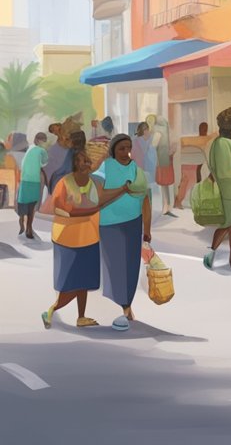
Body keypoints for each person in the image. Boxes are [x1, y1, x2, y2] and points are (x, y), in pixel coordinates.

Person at [42, 150, 129, 329]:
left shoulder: (92, 184)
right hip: (67, 239)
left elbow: (103, 199)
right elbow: (62, 209)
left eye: (88, 160)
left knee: (85, 282)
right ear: (75, 164)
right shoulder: (64, 183)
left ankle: (81, 317)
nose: (87, 163)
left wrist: (122, 190)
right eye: (82, 161)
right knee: (69, 283)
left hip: (89, 237)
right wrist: (92, 210)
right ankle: (52, 309)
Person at [94, 134, 151, 330]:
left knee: (131, 267)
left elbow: (145, 200)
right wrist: (124, 189)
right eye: (121, 148)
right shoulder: (106, 167)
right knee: (116, 267)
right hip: (110, 224)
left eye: (128, 148)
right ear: (113, 150)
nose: (126, 152)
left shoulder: (137, 169)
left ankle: (127, 304)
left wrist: (148, 228)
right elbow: (100, 197)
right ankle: (122, 307)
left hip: (133, 223)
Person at [203, 108, 231, 274]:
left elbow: (213, 167)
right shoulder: (229, 144)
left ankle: (213, 252)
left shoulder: (215, 143)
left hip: (222, 189)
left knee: (227, 224)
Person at [18, 132, 48, 240]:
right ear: (42, 141)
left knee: (23, 202)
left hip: (24, 180)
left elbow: (23, 164)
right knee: (32, 205)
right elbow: (44, 163)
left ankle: (21, 221)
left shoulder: (29, 149)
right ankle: (29, 228)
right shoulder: (42, 151)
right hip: (34, 181)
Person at [176, 122, 210, 210]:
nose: (204, 130)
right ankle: (179, 201)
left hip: (193, 165)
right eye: (203, 129)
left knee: (187, 182)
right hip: (191, 165)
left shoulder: (203, 140)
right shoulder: (203, 140)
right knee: (186, 182)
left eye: (204, 129)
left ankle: (181, 201)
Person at [149, 114, 175, 217]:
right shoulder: (167, 131)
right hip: (168, 160)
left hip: (160, 160)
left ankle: (165, 206)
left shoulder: (158, 132)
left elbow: (153, 145)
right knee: (167, 184)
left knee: (164, 184)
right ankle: (167, 205)